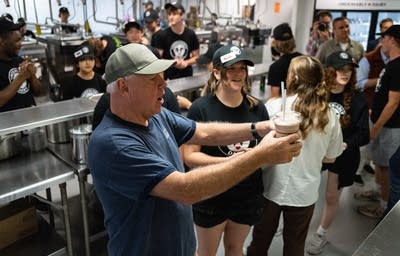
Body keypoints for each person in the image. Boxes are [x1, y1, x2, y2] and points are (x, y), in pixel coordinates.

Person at [87, 43, 302, 256]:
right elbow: (185, 189)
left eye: (163, 76)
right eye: (153, 79)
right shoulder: (113, 143)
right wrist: (260, 155)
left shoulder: (156, 115)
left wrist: (258, 128)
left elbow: (203, 132)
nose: (164, 84)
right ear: (124, 87)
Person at [246, 55, 344, 256]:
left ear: (293, 78)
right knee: (295, 245)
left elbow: (256, 144)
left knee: (259, 241)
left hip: (270, 186)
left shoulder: (274, 106)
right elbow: (331, 157)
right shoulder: (330, 116)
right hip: (304, 192)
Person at [182, 45, 268, 256]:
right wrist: (234, 162)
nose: (238, 74)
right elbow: (189, 156)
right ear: (217, 72)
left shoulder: (257, 108)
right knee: (206, 253)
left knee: (235, 248)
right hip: (211, 194)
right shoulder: (201, 108)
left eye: (242, 68)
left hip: (247, 194)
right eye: (232, 69)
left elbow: (265, 150)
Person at [306, 51, 369, 255]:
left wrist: (342, 146)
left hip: (344, 156)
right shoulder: (317, 95)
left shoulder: (358, 99)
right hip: (316, 152)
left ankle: (320, 235)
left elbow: (364, 135)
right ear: (329, 71)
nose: (346, 73)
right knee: (305, 189)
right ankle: (294, 224)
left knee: (331, 196)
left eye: (349, 69)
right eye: (341, 69)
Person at [357, 25, 400, 219]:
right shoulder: (392, 63)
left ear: (392, 40)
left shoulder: (398, 66)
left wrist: (376, 126)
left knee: (386, 166)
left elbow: (393, 102)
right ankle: (377, 191)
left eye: (383, 37)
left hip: (389, 127)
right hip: (382, 123)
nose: (381, 41)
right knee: (379, 163)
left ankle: (384, 206)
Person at [0, 17, 41, 112]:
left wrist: (32, 76)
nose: (21, 44)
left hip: (31, 121)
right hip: (11, 125)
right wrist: (21, 77)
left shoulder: (19, 61)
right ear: (1, 41)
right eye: (17, 40)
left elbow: (38, 92)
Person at [154, 2, 200, 80]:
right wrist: (172, 63)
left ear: (182, 15)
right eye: (169, 14)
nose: (171, 17)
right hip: (169, 78)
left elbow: (197, 57)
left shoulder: (190, 34)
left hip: (187, 77)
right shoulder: (161, 35)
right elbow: (157, 60)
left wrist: (186, 63)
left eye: (174, 14)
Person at [267, 23, 302, 98]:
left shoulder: (276, 67)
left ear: (275, 42)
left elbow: (274, 98)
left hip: (285, 107)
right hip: (304, 105)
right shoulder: (304, 60)